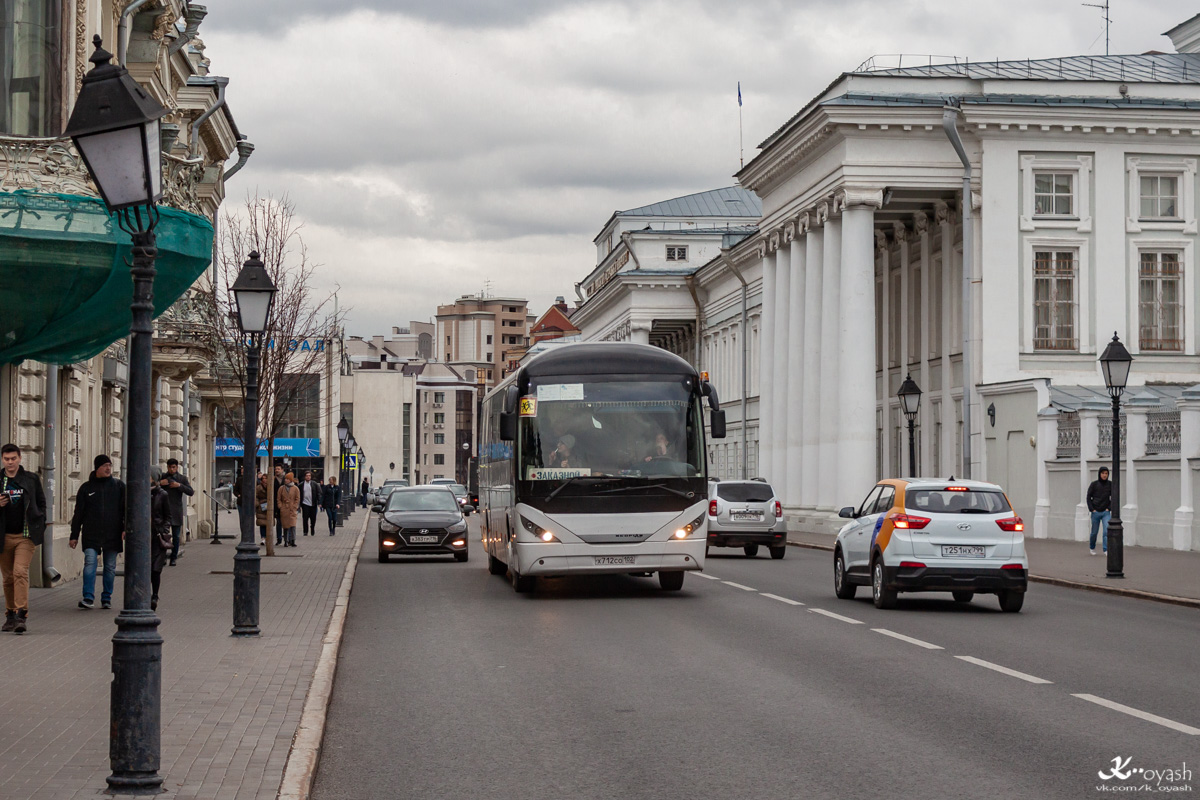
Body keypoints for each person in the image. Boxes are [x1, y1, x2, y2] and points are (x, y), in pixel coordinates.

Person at [69, 455, 126, 609]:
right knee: (90, 563)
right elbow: (78, 513)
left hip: (112, 533)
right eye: (104, 465)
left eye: (110, 465)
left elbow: (126, 509)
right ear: (97, 468)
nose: (108, 468)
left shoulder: (119, 486)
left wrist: (125, 528)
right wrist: (74, 535)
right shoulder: (86, 488)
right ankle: (88, 597)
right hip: (91, 533)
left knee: (109, 567)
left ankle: (106, 598)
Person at [0, 443, 46, 635]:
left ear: (20, 458)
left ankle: (21, 614)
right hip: (3, 536)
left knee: (20, 571)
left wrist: (39, 522)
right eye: (6, 459)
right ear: (3, 459)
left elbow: (42, 503)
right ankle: (10, 614)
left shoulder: (30, 479)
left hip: (25, 535)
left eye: (13, 458)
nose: (10, 462)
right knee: (8, 577)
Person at [159, 458, 194, 566]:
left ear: (177, 467)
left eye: (173, 467)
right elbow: (152, 486)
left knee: (176, 536)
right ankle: (163, 558)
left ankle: (173, 558)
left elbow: (191, 491)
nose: (171, 469)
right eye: (169, 467)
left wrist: (179, 485)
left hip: (176, 511)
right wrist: (160, 483)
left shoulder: (181, 478)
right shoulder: (163, 477)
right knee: (163, 536)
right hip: (163, 512)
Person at [150, 478, 172, 611]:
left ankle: (155, 595)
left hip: (158, 537)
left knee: (155, 569)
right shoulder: (139, 492)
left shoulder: (162, 494)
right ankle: (145, 596)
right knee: (145, 569)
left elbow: (168, 515)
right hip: (143, 537)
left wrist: (164, 530)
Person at [1086, 466, 1112, 555]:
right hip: (1095, 512)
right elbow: (1088, 497)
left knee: (1106, 531)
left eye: (1106, 473)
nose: (1104, 475)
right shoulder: (1094, 484)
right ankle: (1092, 547)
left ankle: (1106, 549)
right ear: (1099, 474)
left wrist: (1109, 507)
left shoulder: (1110, 484)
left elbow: (1114, 497)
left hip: (1105, 512)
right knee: (1094, 532)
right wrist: (1091, 509)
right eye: (1103, 473)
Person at [277, 472, 300, 547]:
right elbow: (279, 498)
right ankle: (286, 541)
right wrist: (280, 506)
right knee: (285, 526)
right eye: (285, 479)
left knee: (293, 525)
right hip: (284, 509)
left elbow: (297, 498)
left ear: (291, 480)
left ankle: (293, 540)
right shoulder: (281, 488)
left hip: (292, 509)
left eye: (287, 479)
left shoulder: (295, 488)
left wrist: (295, 506)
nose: (286, 480)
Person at [299, 470, 323, 536]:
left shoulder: (314, 484)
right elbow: (299, 494)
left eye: (309, 476)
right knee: (305, 518)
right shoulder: (301, 485)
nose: (308, 477)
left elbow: (319, 493)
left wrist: (319, 502)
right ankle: (305, 531)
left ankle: (312, 529)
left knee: (313, 518)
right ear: (304, 477)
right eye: (307, 476)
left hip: (313, 503)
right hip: (304, 503)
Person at [254, 473, 270, 542]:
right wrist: (257, 504)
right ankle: (263, 537)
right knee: (262, 523)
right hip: (261, 506)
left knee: (268, 523)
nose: (265, 480)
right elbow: (255, 496)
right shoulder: (258, 487)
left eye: (266, 478)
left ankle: (268, 537)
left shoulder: (270, 486)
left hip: (269, 506)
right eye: (263, 478)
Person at [273, 465, 285, 546]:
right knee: (279, 522)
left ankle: (288, 538)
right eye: (276, 469)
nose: (276, 470)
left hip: (285, 504)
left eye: (278, 469)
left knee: (287, 522)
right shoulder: (273, 479)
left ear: (282, 470)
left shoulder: (286, 479)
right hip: (276, 504)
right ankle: (279, 538)